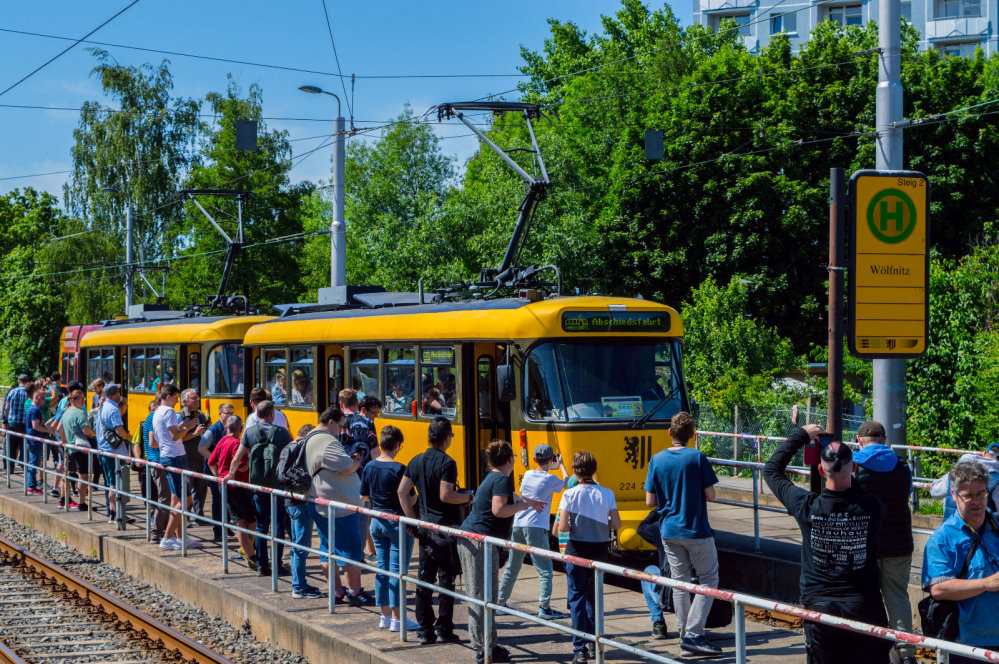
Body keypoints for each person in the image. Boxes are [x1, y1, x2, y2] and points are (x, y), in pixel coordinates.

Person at [764, 424, 890, 664]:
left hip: (819, 607)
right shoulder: (872, 507)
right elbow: (863, 498)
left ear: (820, 471)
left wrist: (801, 435)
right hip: (863, 604)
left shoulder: (807, 506)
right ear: (853, 468)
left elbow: (772, 471)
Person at [644, 411, 722, 656]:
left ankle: (684, 637)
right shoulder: (697, 457)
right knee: (709, 581)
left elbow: (649, 501)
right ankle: (694, 634)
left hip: (669, 530)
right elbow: (711, 495)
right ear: (693, 435)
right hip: (696, 529)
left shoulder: (656, 460)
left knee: (680, 584)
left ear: (670, 433)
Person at [459, 441, 545, 664]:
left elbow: (512, 498)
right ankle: (482, 649)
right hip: (479, 542)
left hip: (476, 541)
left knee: (486, 596)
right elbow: (499, 509)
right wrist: (525, 507)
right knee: (480, 596)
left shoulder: (494, 478)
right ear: (510, 460)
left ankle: (490, 645)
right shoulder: (501, 479)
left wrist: (528, 501)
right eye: (514, 456)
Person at [397, 416, 471, 645]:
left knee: (424, 579)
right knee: (446, 581)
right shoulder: (448, 463)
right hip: (446, 529)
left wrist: (413, 521)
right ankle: (445, 629)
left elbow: (402, 492)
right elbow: (446, 495)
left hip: (426, 529)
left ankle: (425, 630)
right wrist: (469, 497)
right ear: (447, 438)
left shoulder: (416, 460)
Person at [852, 420, 917, 664]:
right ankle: (906, 654)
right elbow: (907, 492)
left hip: (865, 545)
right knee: (898, 597)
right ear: (885, 440)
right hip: (899, 543)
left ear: (859, 441)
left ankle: (870, 649)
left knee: (865, 597)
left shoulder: (854, 467)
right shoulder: (902, 466)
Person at [922, 461, 999, 661]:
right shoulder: (942, 539)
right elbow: (939, 590)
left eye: (981, 494)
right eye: (968, 496)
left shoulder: (996, 525)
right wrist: (986, 584)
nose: (976, 501)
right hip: (965, 645)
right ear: (954, 496)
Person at [558, 451, 621, 664]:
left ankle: (579, 649)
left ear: (575, 472)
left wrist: (574, 525)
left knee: (576, 598)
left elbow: (562, 528)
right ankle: (595, 644)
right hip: (600, 551)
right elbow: (617, 524)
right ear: (595, 471)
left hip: (576, 550)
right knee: (594, 598)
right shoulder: (607, 493)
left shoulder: (569, 494)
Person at [305, 407, 372, 605]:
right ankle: (355, 592)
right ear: (332, 422)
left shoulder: (310, 436)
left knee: (328, 548)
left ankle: (336, 590)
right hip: (338, 507)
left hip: (321, 502)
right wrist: (357, 461)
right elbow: (346, 468)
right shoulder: (326, 441)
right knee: (350, 550)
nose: (342, 431)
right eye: (341, 426)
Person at [497, 443, 569, 618]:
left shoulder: (528, 474)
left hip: (518, 523)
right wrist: (560, 465)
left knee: (513, 566)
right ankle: (544, 607)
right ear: (551, 459)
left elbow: (522, 493)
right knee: (545, 569)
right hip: (536, 527)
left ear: (535, 459)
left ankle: (500, 602)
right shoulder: (549, 479)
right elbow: (567, 482)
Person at [360, 425, 418, 629]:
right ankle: (398, 619)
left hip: (377, 521)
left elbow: (363, 496)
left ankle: (384, 617)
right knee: (397, 571)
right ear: (396, 445)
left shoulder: (368, 467)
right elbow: (411, 497)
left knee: (382, 570)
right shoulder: (399, 469)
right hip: (396, 523)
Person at [229, 400, 291, 576]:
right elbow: (291, 456)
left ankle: (263, 566)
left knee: (261, 526)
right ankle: (277, 565)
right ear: (272, 415)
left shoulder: (249, 433)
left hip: (258, 486)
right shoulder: (282, 433)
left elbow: (237, 458)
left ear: (256, 415)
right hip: (277, 486)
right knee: (278, 526)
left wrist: (230, 474)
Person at [153, 384, 200, 551]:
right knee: (186, 499)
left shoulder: (157, 411)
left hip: (166, 455)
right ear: (168, 397)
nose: (177, 401)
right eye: (175, 398)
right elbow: (174, 437)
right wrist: (187, 428)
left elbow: (167, 434)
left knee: (176, 499)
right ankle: (167, 537)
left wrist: (182, 426)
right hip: (175, 456)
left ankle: (180, 538)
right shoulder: (169, 411)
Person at [208, 415, 257, 570]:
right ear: (241, 429)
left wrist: (218, 477)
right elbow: (242, 467)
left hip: (225, 486)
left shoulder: (222, 440)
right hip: (239, 487)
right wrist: (252, 458)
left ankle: (248, 552)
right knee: (253, 521)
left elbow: (211, 462)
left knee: (240, 522)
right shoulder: (237, 444)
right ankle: (251, 554)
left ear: (226, 428)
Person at [286, 424, 322, 598]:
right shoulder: (301, 449)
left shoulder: (288, 447)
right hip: (300, 502)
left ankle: (298, 583)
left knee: (297, 546)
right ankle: (299, 587)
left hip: (289, 501)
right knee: (301, 546)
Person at [199, 402, 235, 543]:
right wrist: (217, 461)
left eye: (232, 412)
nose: (230, 415)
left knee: (228, 499)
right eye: (227, 413)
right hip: (214, 471)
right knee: (218, 500)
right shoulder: (212, 430)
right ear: (220, 414)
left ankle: (226, 526)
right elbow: (202, 448)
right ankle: (218, 531)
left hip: (226, 471)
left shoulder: (232, 428)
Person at [930, 444, 999, 518]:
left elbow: (935, 492)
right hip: (979, 528)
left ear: (984, 453)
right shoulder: (996, 480)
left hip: (950, 525)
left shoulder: (958, 470)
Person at [95, 384, 131, 524]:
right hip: (113, 451)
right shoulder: (113, 409)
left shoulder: (102, 407)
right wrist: (128, 437)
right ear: (115, 394)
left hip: (104, 449)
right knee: (116, 483)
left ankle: (112, 513)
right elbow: (119, 431)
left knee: (111, 482)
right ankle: (118, 514)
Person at [178, 389, 210, 525]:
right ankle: (186, 517)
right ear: (185, 401)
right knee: (187, 488)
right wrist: (195, 433)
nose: (197, 401)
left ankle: (199, 515)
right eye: (194, 399)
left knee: (201, 488)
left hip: (200, 457)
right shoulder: (179, 416)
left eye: (197, 398)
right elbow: (178, 439)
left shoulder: (200, 415)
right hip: (187, 457)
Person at [59, 389, 95, 510]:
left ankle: (66, 499)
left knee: (70, 474)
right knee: (83, 476)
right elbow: (86, 430)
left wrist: (64, 441)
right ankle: (81, 503)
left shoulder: (66, 412)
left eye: (83, 398)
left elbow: (59, 429)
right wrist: (95, 434)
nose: (82, 401)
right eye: (79, 398)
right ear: (72, 400)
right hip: (80, 448)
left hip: (70, 447)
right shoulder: (79, 413)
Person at [141, 398, 169, 544]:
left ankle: (163, 531)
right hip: (157, 461)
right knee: (165, 497)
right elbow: (152, 442)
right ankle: (156, 532)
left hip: (156, 461)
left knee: (166, 497)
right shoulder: (153, 417)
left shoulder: (150, 417)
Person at [25, 383, 56, 495]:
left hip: (33, 438)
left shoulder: (33, 408)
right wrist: (48, 430)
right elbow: (36, 426)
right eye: (43, 398)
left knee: (34, 461)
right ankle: (31, 486)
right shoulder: (36, 410)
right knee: (34, 462)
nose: (44, 400)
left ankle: (31, 485)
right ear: (37, 397)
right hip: (35, 439)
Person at [2, 374, 29, 473]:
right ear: (27, 381)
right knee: (24, 446)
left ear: (19, 381)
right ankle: (24, 466)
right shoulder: (29, 393)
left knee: (10, 446)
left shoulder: (12, 392)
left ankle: (10, 468)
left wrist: (5, 420)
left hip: (12, 423)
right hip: (24, 423)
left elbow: (6, 408)